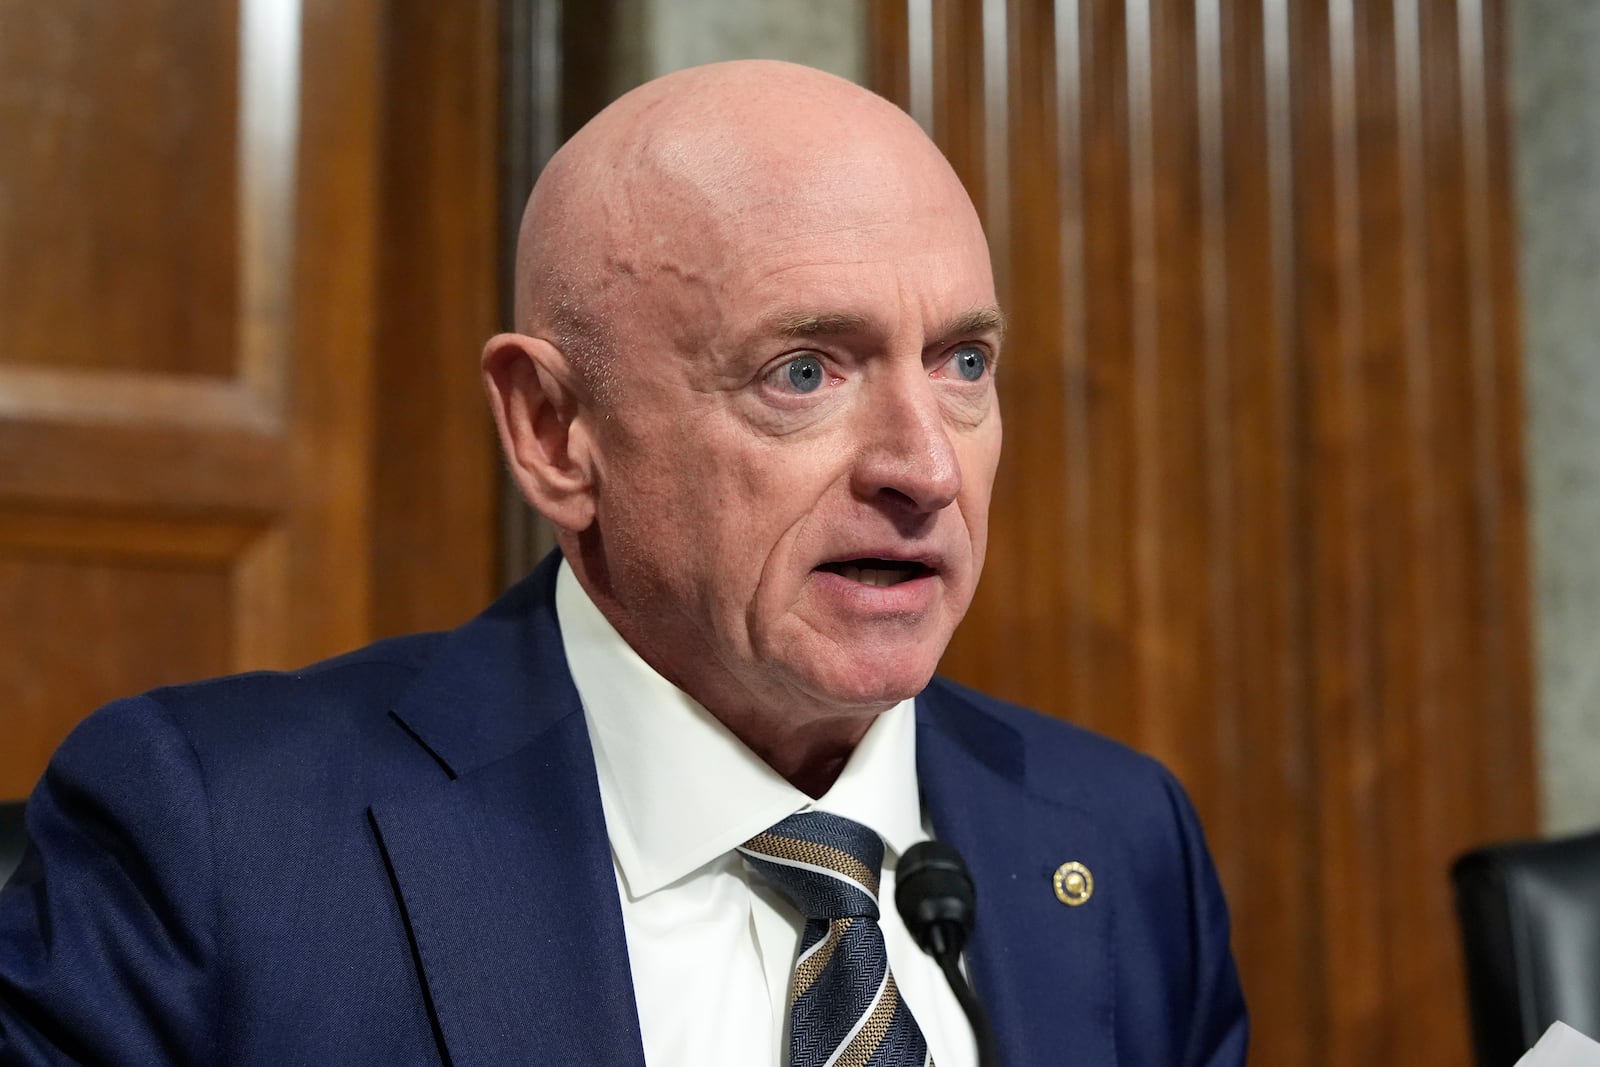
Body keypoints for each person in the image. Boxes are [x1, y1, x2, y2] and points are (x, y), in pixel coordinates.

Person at [0, 60, 1246, 1066]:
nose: (923, 467)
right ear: (555, 431)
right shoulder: (222, 843)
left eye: (962, 363)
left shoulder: (1117, 839)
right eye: (802, 372)